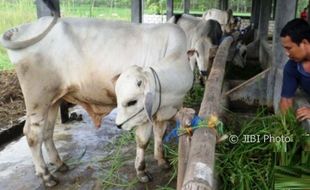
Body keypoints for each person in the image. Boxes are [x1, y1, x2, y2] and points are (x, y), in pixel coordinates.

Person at [280, 18, 310, 121]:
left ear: (304, 43)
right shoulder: (292, 67)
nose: (287, 53)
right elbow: (286, 101)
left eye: (289, 48)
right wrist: (284, 128)